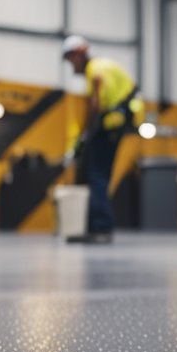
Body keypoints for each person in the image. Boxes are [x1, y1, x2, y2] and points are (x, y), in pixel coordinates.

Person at [61, 35, 144, 244]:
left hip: (109, 126)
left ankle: (101, 228)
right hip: (114, 125)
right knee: (97, 174)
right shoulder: (102, 66)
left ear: (79, 53)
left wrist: (85, 135)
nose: (71, 66)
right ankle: (95, 227)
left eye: (71, 59)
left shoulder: (96, 70)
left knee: (97, 175)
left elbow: (97, 104)